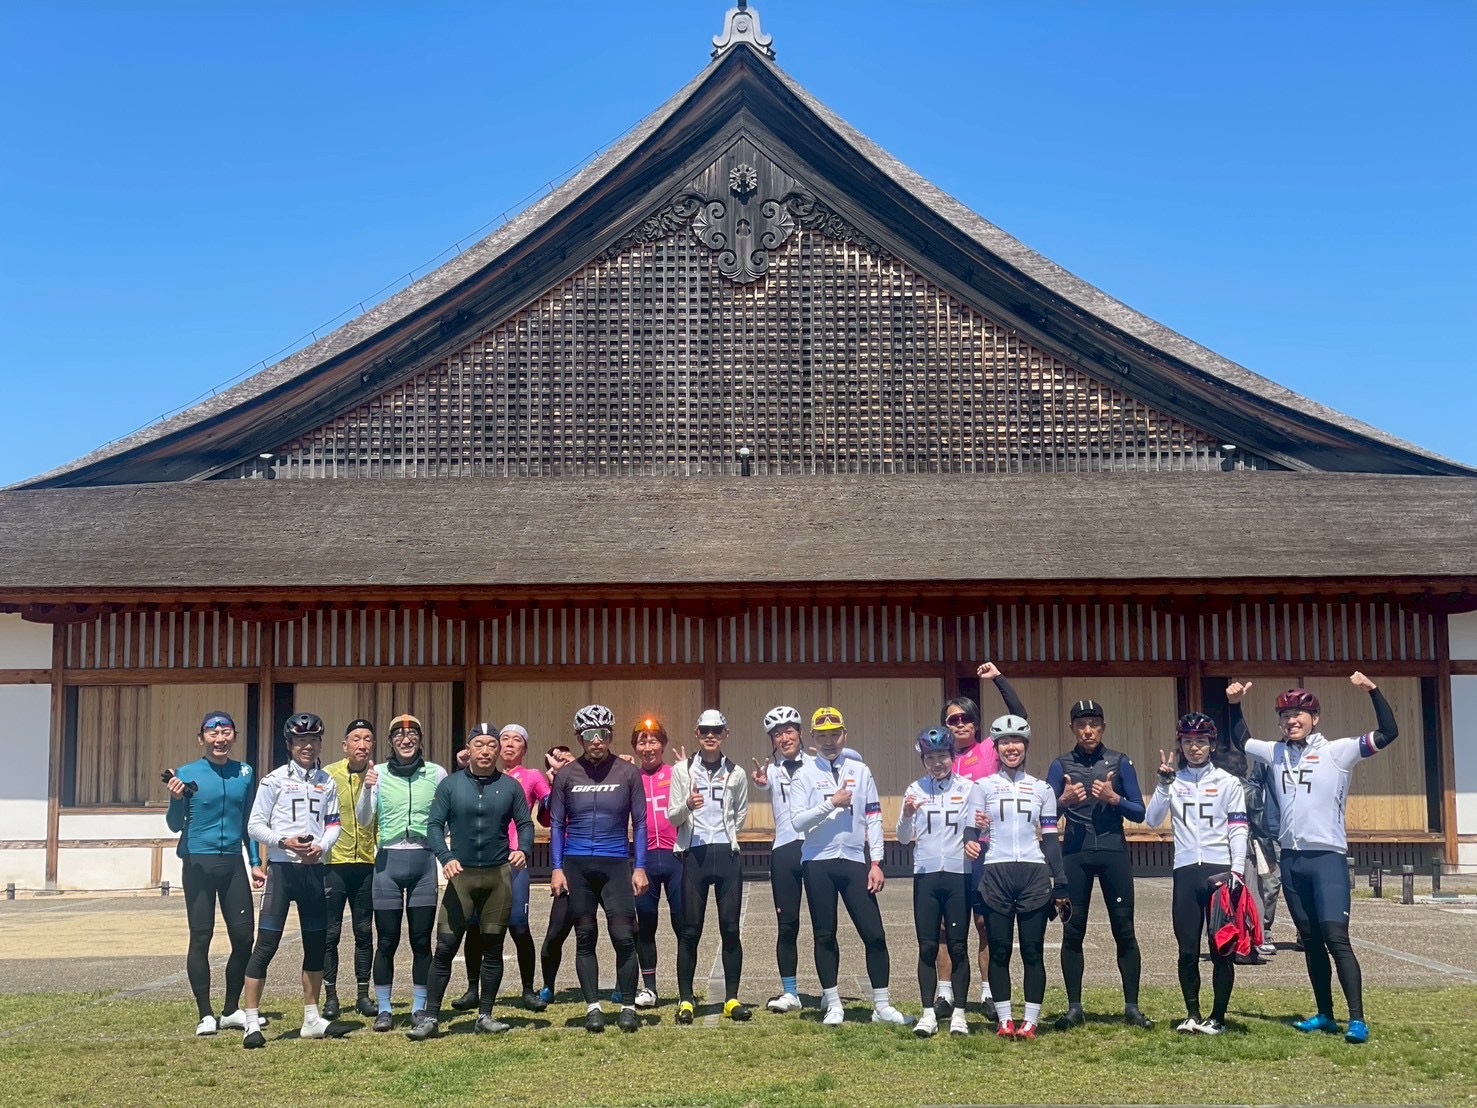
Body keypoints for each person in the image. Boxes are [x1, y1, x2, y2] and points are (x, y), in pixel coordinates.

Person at [1226, 672, 1398, 1044]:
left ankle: (1357, 1019)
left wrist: (1373, 690)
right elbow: (1241, 740)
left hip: (1327, 859)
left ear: (1315, 718)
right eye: (1285, 715)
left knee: (1336, 937)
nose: (1292, 720)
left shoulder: (1338, 751)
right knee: (1310, 938)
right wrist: (1235, 704)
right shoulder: (1274, 752)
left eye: (1299, 714)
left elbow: (1388, 733)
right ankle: (1325, 1014)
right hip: (1292, 860)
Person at [406, 722, 534, 1039]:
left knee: (493, 948)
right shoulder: (451, 785)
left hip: (497, 877)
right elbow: (434, 825)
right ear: (469, 749)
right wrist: (445, 857)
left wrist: (523, 849)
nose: (486, 750)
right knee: (445, 948)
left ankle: (485, 1015)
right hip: (461, 877)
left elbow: (525, 823)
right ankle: (430, 1018)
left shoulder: (510, 786)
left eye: (492, 745)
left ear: (498, 750)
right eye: (480, 745)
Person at [790, 706, 909, 1026]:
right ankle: (833, 1004)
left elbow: (874, 817)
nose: (829, 742)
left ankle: (882, 1006)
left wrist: (876, 862)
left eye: (835, 735)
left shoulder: (861, 770)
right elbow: (797, 822)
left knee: (875, 934)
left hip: (856, 861)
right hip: (818, 861)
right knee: (824, 934)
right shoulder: (803, 774)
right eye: (822, 736)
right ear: (812, 738)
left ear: (845, 735)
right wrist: (831, 803)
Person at [1046, 699, 1152, 1030]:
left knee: (1125, 930)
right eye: (1081, 725)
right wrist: (1062, 801)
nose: (1088, 731)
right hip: (1074, 856)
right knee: (1072, 931)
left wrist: (1114, 799)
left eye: (1093, 724)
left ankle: (1132, 1007)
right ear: (1072, 729)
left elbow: (1140, 812)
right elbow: (1044, 817)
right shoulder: (1060, 765)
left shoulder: (1120, 762)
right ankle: (1074, 1008)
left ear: (1103, 727)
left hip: (1113, 853)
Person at [239, 712, 342, 1048]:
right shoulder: (273, 780)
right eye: (301, 741)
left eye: (313, 740)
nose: (307, 746)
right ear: (289, 744)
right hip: (283, 871)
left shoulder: (327, 781)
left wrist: (322, 846)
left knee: (316, 945)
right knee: (266, 945)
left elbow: (333, 824)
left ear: (320, 743)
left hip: (313, 870)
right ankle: (251, 1021)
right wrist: (284, 842)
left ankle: (312, 1019)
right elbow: (255, 826)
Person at [963, 713, 1069, 1040]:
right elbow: (971, 829)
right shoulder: (981, 787)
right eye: (1005, 742)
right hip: (996, 871)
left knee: (1032, 951)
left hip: (1033, 874)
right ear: (996, 748)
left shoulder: (1042, 789)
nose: (1011, 747)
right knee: (999, 950)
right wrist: (970, 840)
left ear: (1026, 746)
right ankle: (1005, 1019)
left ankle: (1031, 1021)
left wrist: (1061, 881)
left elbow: (1050, 839)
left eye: (1017, 742)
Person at [1145, 713, 1248, 1035]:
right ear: (1180, 745)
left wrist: (1237, 870)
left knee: (1221, 950)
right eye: (1188, 741)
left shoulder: (1229, 783)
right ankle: (1192, 1013)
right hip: (1186, 871)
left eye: (1201, 741)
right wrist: (1163, 784)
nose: (1194, 747)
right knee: (1187, 950)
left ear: (1212, 745)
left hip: (1220, 872)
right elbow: (1152, 820)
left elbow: (1239, 829)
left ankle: (1217, 1017)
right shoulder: (1174, 781)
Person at [549, 704, 649, 1033]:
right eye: (590, 734)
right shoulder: (567, 775)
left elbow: (641, 823)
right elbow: (556, 825)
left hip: (615, 862)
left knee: (624, 937)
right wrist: (557, 868)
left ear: (610, 735)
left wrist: (640, 867)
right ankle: (593, 1007)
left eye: (603, 734)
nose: (597, 740)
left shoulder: (627, 772)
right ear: (579, 737)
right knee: (585, 937)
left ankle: (628, 1007)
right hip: (576, 865)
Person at [164, 709, 264, 1037]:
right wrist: (175, 799)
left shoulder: (245, 772)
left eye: (226, 733)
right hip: (198, 862)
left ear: (234, 736)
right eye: (212, 733)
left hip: (232, 863)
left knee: (244, 938)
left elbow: (249, 821)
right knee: (201, 937)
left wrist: (254, 862)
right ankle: (205, 1013)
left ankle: (231, 1009)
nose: (220, 739)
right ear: (201, 738)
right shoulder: (187, 773)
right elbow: (175, 824)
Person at [938, 662, 1025, 1016]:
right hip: (947, 849)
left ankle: (989, 992)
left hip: (985, 849)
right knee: (945, 927)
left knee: (984, 922)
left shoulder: (989, 749)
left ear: (975, 724)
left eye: (966, 719)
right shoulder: (939, 758)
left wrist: (998, 679)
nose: (960, 724)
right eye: (953, 720)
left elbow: (1019, 716)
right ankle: (944, 994)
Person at [356, 713, 447, 1030]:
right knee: (387, 940)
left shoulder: (436, 773)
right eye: (398, 735)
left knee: (421, 940)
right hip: (388, 863)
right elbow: (364, 819)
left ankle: (419, 1008)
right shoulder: (378, 773)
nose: (406, 740)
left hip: (423, 861)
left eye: (412, 736)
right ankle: (384, 1009)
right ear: (391, 742)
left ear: (420, 740)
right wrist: (367, 789)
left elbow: (447, 815)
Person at [456, 724, 551, 1014]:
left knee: (519, 927)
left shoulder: (531, 776)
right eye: (504, 739)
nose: (509, 744)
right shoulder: (480, 774)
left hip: (514, 861)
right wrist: (463, 767)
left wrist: (557, 780)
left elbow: (549, 812)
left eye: (516, 740)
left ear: (525, 748)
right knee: (474, 926)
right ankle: (472, 989)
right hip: (480, 862)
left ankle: (528, 989)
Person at [668, 709, 751, 1024]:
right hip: (694, 854)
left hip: (726, 854)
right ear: (697, 734)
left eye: (716, 731)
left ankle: (731, 999)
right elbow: (673, 816)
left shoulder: (737, 772)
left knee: (730, 929)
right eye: (705, 731)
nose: (710, 736)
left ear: (726, 734)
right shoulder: (682, 770)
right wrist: (687, 806)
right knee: (690, 931)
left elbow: (740, 814)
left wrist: (728, 836)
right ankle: (686, 1000)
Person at [896, 727, 974, 1037]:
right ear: (923, 760)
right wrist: (906, 815)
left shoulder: (968, 788)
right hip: (926, 875)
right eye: (930, 758)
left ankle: (960, 1013)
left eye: (942, 756)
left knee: (958, 945)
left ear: (952, 756)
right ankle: (928, 1012)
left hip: (958, 874)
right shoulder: (914, 789)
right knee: (927, 945)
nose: (937, 763)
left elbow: (979, 827)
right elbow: (903, 838)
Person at [749, 705, 809, 1014]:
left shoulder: (817, 765)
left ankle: (830, 992)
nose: (784, 738)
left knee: (825, 925)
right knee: (787, 925)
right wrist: (760, 781)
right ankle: (790, 992)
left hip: (815, 849)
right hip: (784, 849)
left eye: (789, 731)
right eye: (777, 734)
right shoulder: (771, 770)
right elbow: (763, 782)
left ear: (800, 732)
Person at [322, 718, 379, 1020]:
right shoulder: (328, 775)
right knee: (330, 933)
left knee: (363, 931)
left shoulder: (378, 775)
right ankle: (330, 996)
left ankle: (362, 994)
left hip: (366, 864)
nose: (362, 744)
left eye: (367, 739)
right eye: (356, 739)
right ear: (345, 746)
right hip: (334, 864)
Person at [631, 716, 681, 1009]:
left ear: (663, 745)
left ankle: (685, 990)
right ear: (635, 748)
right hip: (644, 859)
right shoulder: (630, 777)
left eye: (653, 741)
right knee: (646, 925)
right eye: (642, 742)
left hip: (676, 857)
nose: (648, 747)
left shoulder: (677, 773)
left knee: (683, 924)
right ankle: (649, 988)